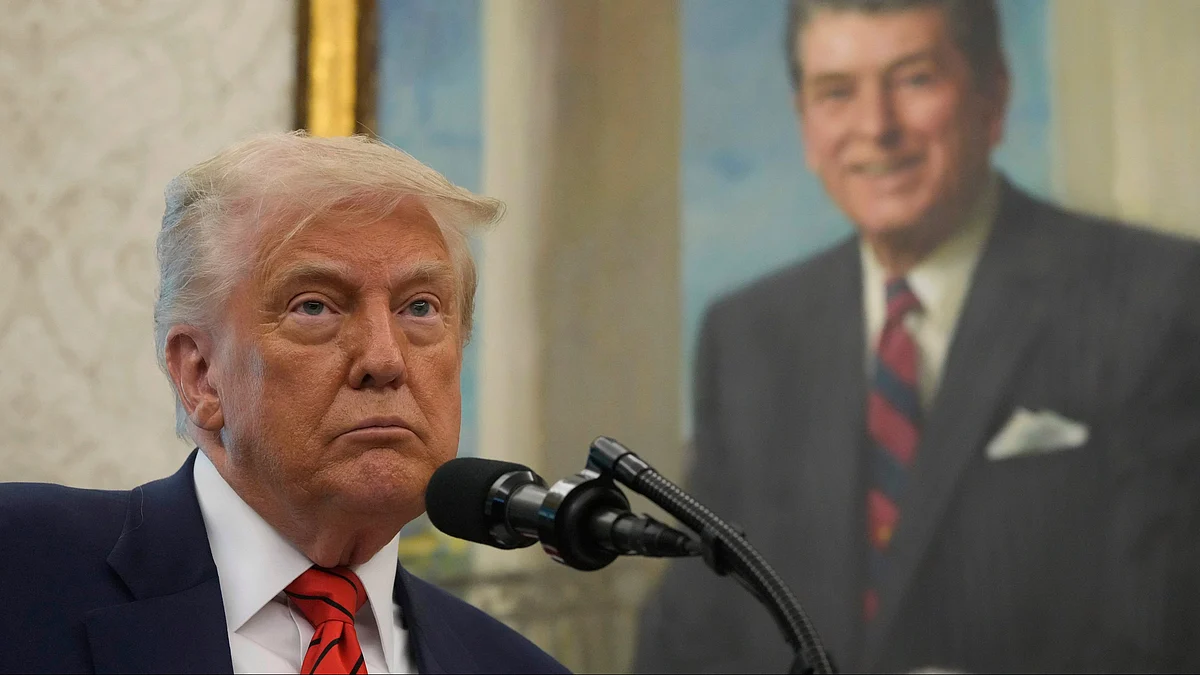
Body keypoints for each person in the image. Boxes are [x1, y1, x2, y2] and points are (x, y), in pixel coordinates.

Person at [635, 0, 1200, 672]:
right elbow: (693, 627)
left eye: (915, 79)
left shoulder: (1157, 297)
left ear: (994, 96)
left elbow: (1170, 626)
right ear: (807, 126)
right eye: (837, 92)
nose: (877, 127)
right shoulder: (748, 336)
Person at [0, 132, 568, 674]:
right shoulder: (22, 568)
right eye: (315, 306)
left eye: (419, 308)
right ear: (201, 375)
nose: (385, 359)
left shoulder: (514, 666)